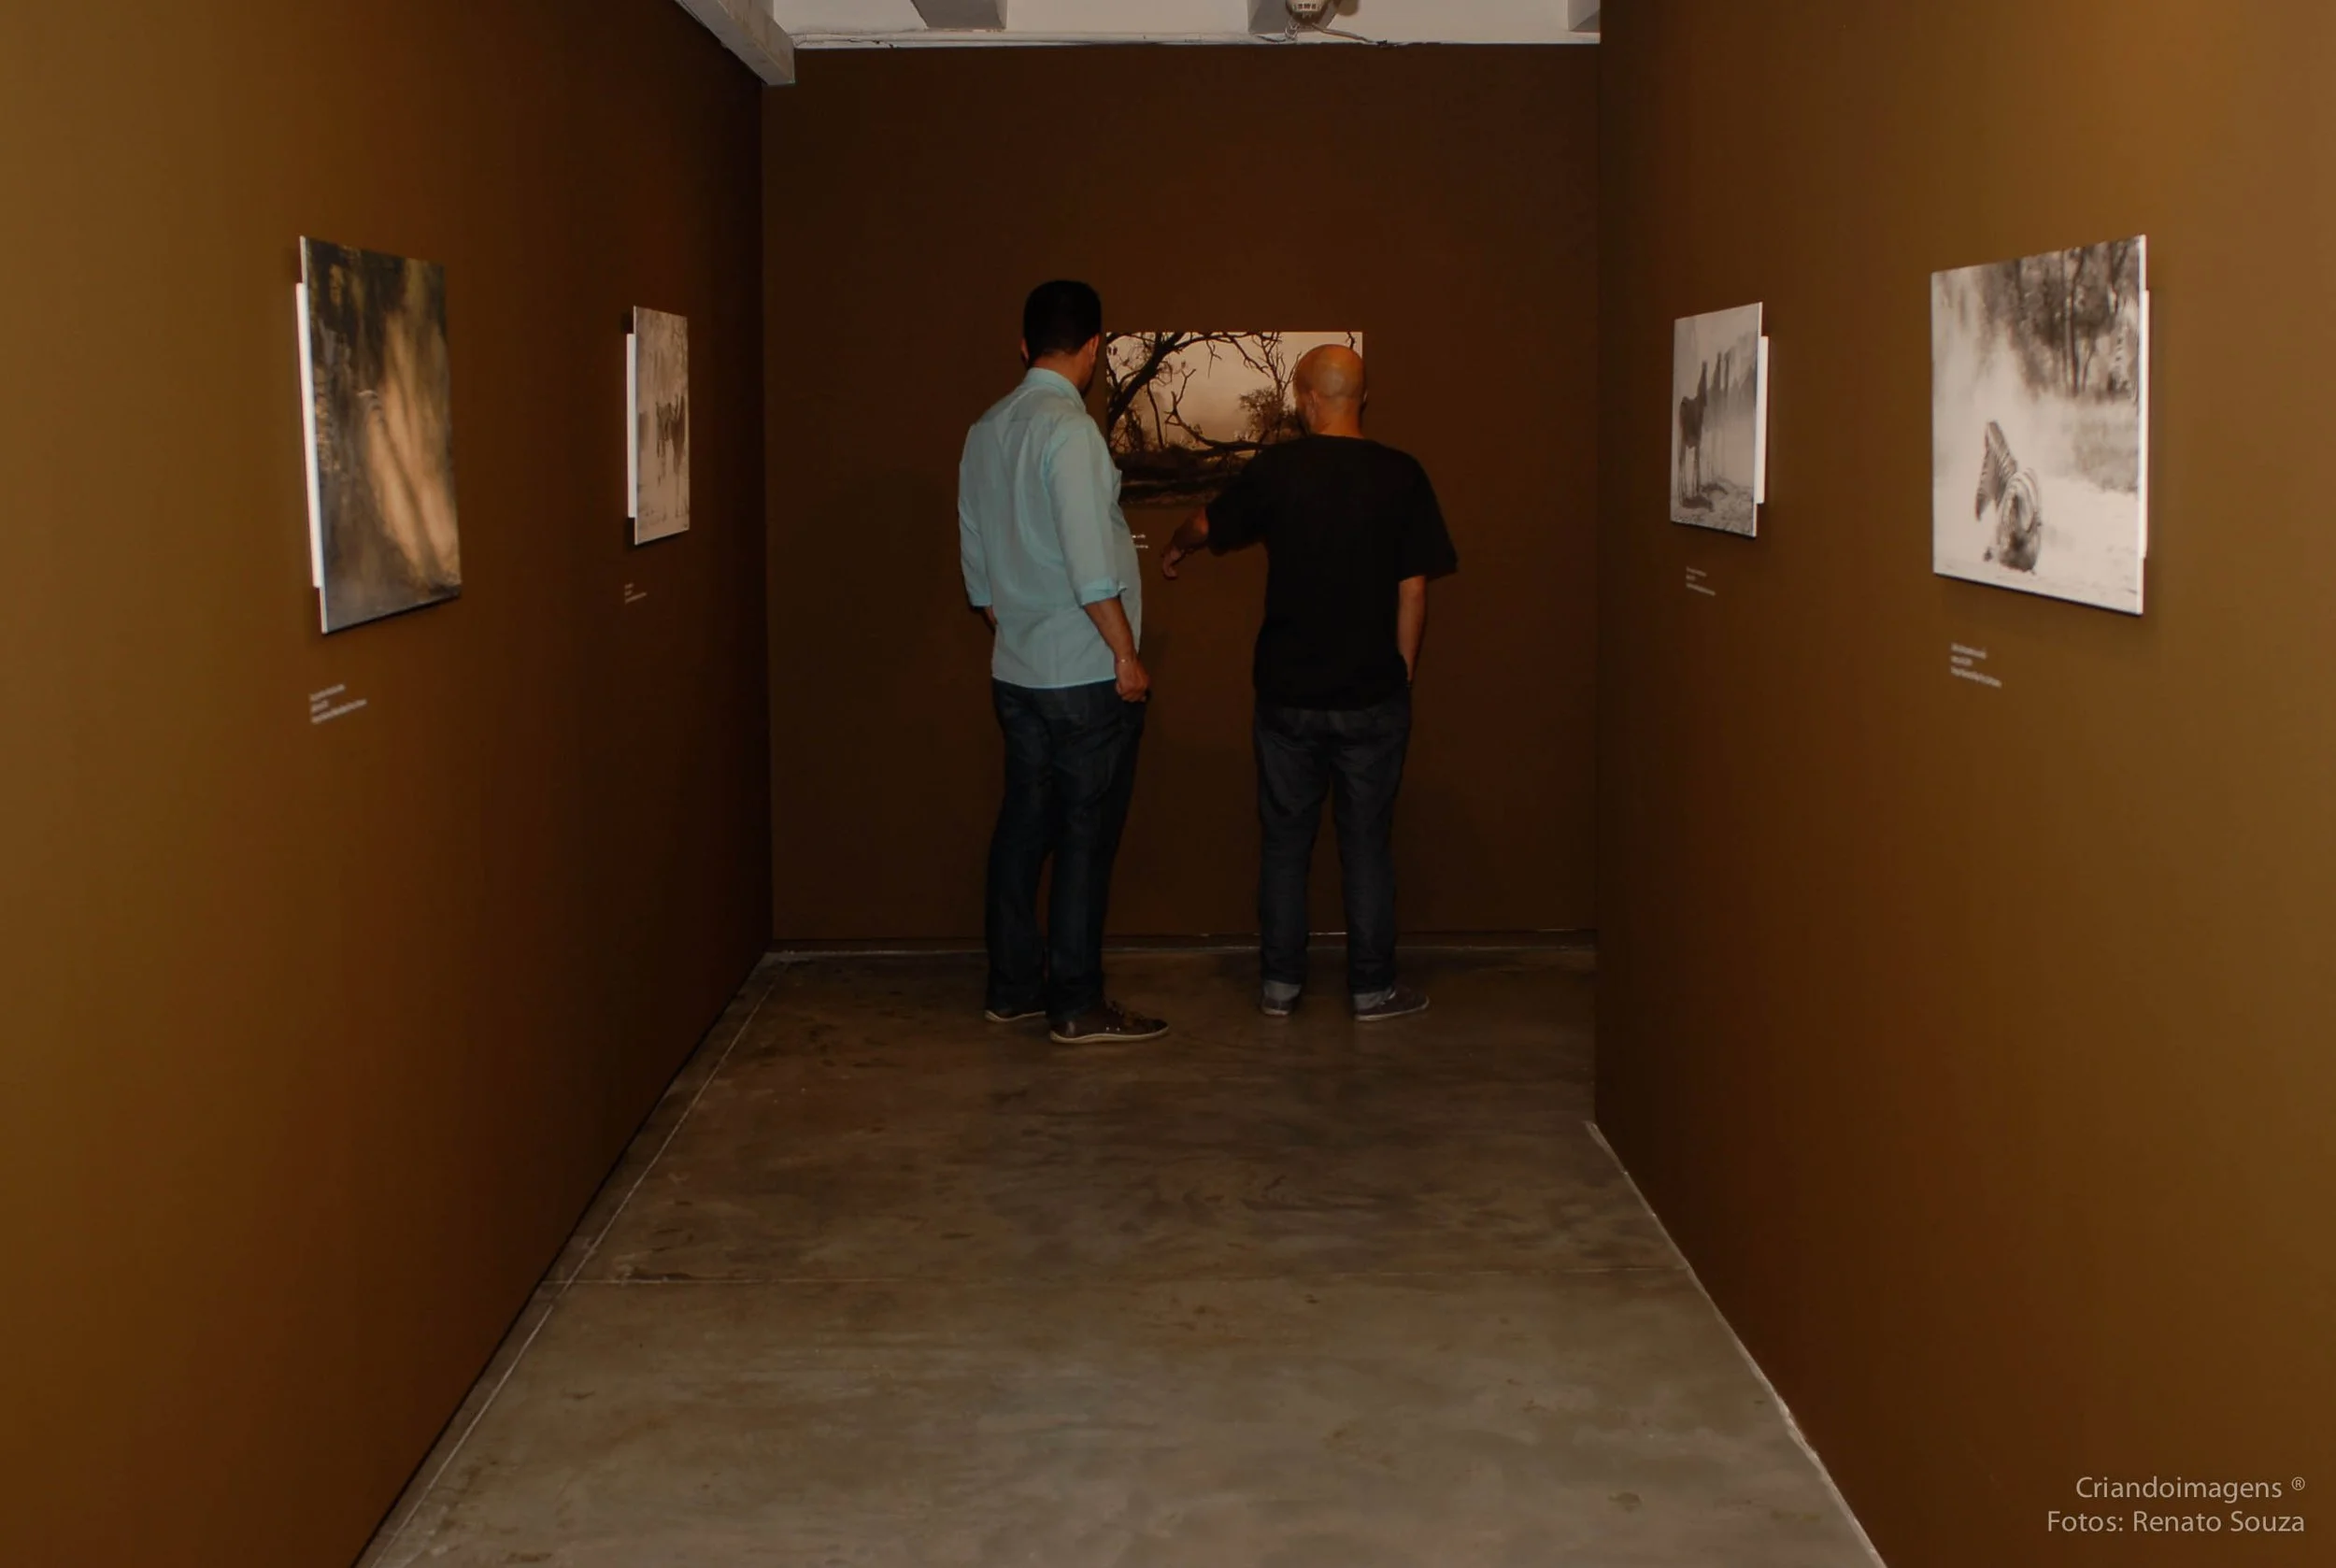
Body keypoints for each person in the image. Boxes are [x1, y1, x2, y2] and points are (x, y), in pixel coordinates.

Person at [1158, 345, 1457, 1021]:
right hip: (1372, 694)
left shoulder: (1278, 470)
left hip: (1288, 694)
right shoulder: (1401, 474)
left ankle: (1280, 985)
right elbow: (1413, 588)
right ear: (1361, 397)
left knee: (1285, 844)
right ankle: (1373, 989)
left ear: (1306, 398)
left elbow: (1206, 523)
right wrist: (1403, 669)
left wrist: (1176, 545)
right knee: (1367, 845)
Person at [958, 280, 1167, 1045]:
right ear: (1094, 348)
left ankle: (1013, 988)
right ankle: (1076, 1003)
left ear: (1023, 346)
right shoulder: (1070, 432)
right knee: (1084, 838)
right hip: (1083, 676)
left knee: (1023, 827)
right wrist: (1125, 656)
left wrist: (1021, 624)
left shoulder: (986, 430)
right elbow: (1090, 568)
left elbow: (979, 574)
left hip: (1017, 672)